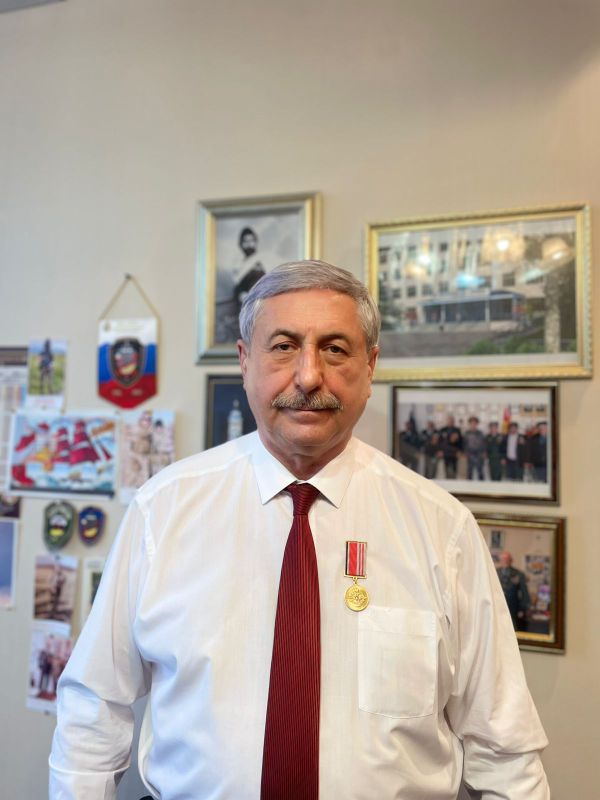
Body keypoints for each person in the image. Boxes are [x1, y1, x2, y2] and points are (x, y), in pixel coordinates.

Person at [50, 260, 549, 799]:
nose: (309, 376)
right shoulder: (163, 511)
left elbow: (505, 754)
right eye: (284, 346)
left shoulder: (441, 529)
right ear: (245, 361)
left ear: (370, 366)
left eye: (334, 349)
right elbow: (93, 712)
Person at [496, 551, 531, 632]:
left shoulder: (518, 574)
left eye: (507, 559)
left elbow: (524, 592)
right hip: (498, 605)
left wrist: (524, 607)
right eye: (503, 559)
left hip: (513, 606)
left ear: (511, 560)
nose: (505, 561)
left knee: (513, 627)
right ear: (500, 560)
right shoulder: (495, 572)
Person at [439, 414, 463, 479]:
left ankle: (454, 480)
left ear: (454, 421)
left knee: (454, 469)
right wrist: (440, 450)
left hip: (454, 453)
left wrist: (459, 451)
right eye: (449, 420)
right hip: (446, 452)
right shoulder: (443, 430)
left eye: (451, 421)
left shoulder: (457, 430)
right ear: (447, 421)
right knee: (446, 469)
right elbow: (440, 441)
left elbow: (460, 442)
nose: (450, 422)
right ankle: (447, 480)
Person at [463, 415, 485, 481]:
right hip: (470, 455)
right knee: (469, 473)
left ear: (477, 424)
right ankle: (468, 486)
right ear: (469, 424)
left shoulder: (480, 433)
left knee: (480, 473)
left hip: (479, 455)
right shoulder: (466, 433)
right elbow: (464, 444)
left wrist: (484, 452)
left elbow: (483, 444)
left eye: (475, 423)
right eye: (471, 423)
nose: (473, 425)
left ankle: (482, 486)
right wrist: (465, 452)